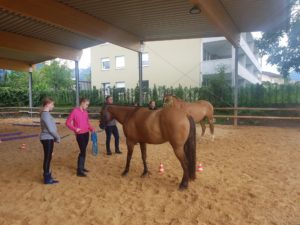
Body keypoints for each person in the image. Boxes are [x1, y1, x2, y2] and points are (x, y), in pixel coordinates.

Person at [66, 98, 94, 177]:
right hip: (80, 134)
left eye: (88, 105)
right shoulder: (75, 111)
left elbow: (87, 123)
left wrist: (91, 128)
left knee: (83, 150)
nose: (87, 106)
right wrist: (75, 129)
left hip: (86, 133)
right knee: (82, 151)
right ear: (82, 103)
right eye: (86, 104)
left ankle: (82, 167)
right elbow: (68, 123)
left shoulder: (85, 112)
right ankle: (79, 170)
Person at [40, 97, 60, 184]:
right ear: (47, 104)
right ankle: (47, 178)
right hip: (47, 138)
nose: (53, 106)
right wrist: (57, 137)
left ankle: (48, 175)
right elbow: (51, 129)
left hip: (49, 138)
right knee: (48, 158)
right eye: (52, 104)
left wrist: (54, 137)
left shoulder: (46, 114)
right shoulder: (45, 115)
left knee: (49, 157)